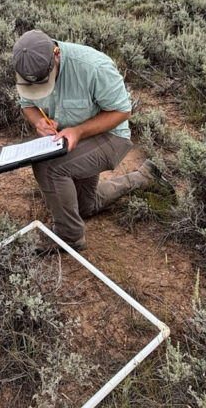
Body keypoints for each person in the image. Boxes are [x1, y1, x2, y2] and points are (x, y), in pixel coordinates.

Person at [13, 29, 171, 252]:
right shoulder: (29, 67)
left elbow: (122, 112)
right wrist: (38, 120)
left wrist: (77, 131)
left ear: (56, 55)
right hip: (68, 141)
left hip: (109, 137)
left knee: (48, 167)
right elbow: (27, 105)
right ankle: (143, 177)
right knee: (85, 207)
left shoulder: (93, 67)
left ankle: (69, 237)